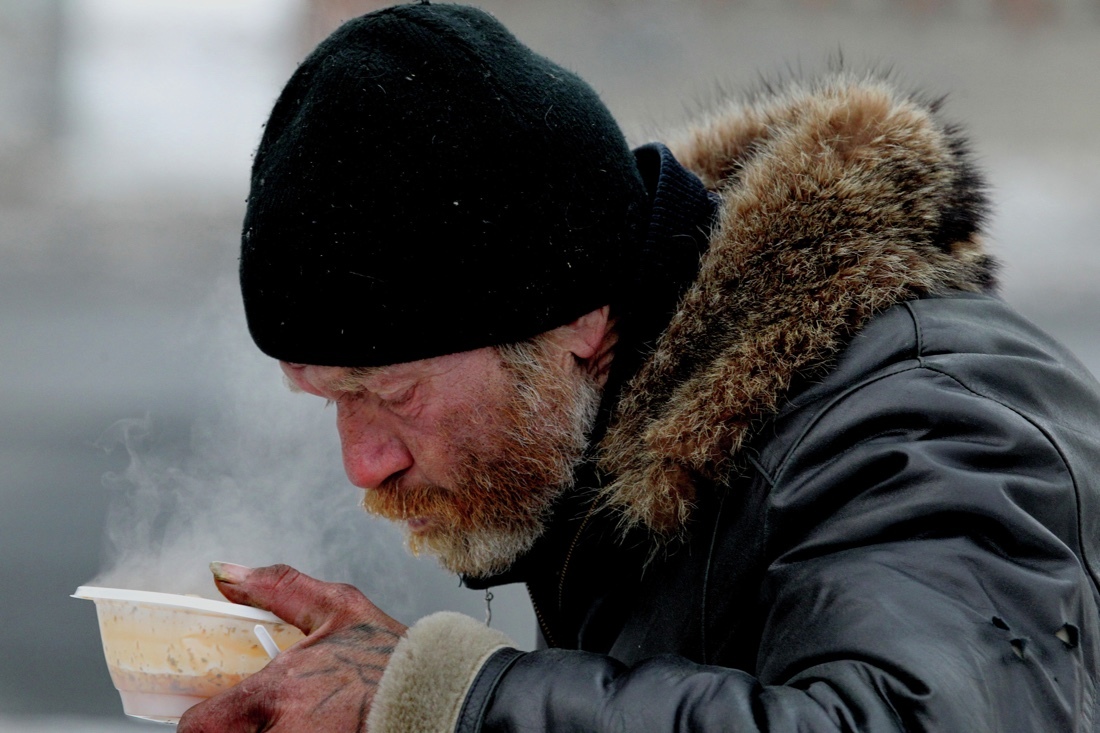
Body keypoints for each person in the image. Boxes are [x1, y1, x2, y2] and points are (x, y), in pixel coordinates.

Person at [178, 3, 1100, 731]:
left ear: (574, 317)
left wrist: (455, 701)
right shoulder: (605, 439)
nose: (362, 462)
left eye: (394, 392)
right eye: (328, 398)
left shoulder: (922, 422)